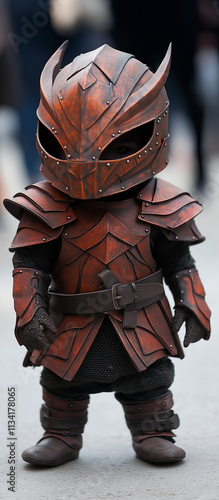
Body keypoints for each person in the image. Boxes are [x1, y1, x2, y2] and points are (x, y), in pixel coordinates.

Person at [4, 42, 211, 467]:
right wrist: (29, 311)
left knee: (150, 379)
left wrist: (193, 302)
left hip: (142, 321)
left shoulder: (159, 202)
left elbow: (179, 263)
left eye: (119, 146)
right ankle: (60, 433)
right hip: (71, 319)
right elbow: (29, 267)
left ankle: (154, 429)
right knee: (62, 379)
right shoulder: (46, 205)